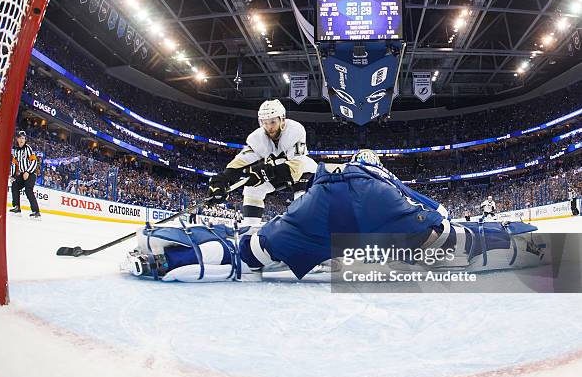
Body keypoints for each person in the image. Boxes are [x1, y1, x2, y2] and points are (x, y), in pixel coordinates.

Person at [123, 150, 548, 283]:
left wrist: (255, 173)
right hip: (384, 211)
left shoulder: (336, 169)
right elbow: (431, 209)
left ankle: (168, 257)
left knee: (248, 251)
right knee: (453, 241)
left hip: (319, 205)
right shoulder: (380, 175)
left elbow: (297, 168)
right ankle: (523, 243)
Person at [207, 99, 316, 226]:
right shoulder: (256, 137)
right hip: (276, 172)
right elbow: (240, 161)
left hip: (304, 172)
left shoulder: (295, 130)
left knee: (301, 211)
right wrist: (223, 179)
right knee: (251, 189)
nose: (269, 127)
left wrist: (262, 173)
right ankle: (249, 230)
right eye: (265, 122)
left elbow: (295, 170)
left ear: (282, 120)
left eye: (273, 122)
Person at [10, 130, 40, 219]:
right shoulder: (15, 151)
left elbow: (34, 161)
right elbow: (14, 164)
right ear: (17, 139)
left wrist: (28, 171)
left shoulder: (28, 148)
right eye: (20, 138)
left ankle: (36, 212)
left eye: (23, 138)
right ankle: (17, 207)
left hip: (31, 174)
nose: (22, 140)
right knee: (14, 184)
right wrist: (12, 175)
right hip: (23, 174)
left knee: (28, 190)